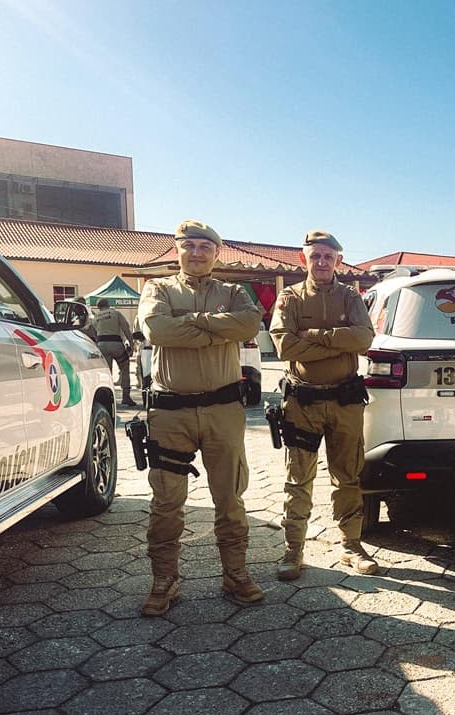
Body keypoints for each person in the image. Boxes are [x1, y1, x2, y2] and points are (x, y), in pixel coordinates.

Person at [136, 219, 264, 616]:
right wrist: (216, 330)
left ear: (216, 253)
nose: (196, 253)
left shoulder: (233, 291)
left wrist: (192, 323)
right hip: (170, 413)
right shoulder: (157, 288)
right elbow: (156, 330)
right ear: (177, 250)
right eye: (188, 245)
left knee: (229, 498)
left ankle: (235, 573)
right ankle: (164, 580)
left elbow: (249, 323)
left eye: (204, 247)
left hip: (223, 411)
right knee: (167, 502)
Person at [269, 230, 377, 580]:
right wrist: (337, 342)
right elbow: (285, 346)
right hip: (303, 402)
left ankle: (351, 545)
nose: (321, 262)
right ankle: (294, 549)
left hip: (345, 400)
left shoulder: (350, 297)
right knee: (298, 478)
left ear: (338, 261)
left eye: (327, 256)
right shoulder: (290, 298)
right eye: (314, 256)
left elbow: (363, 338)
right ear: (304, 259)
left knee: (347, 476)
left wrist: (314, 337)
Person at [94, 297, 137, 407]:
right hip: (116, 344)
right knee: (124, 367)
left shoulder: (95, 318)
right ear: (108, 304)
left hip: (101, 345)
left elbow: (94, 333)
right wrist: (131, 345)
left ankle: (106, 399)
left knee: (106, 373)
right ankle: (126, 396)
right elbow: (126, 328)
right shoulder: (115, 313)